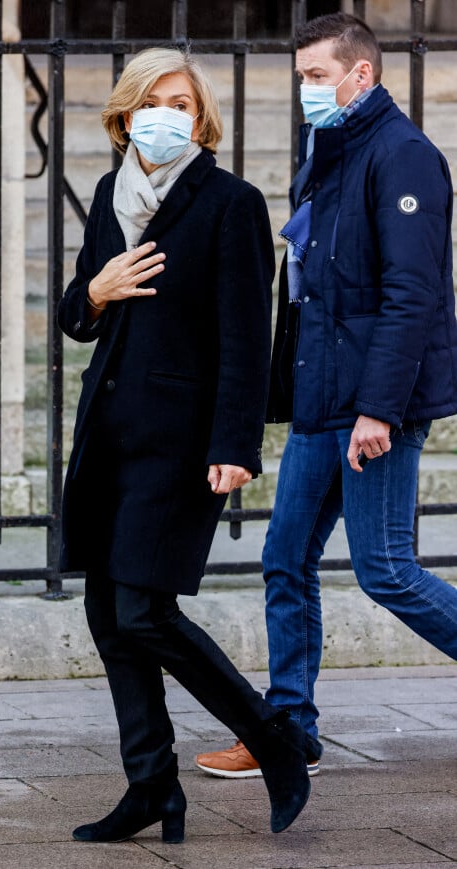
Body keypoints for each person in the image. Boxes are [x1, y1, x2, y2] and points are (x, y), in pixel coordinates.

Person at [57, 46, 322, 844]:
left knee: (144, 608)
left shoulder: (230, 202)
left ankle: (273, 735)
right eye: (153, 99)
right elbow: (78, 314)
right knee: (108, 609)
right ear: (125, 113)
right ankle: (152, 787)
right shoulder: (111, 193)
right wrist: (95, 293)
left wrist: (236, 443)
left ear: (200, 118)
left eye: (182, 101)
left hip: (180, 444)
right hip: (109, 434)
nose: (167, 113)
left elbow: (247, 336)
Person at [196, 12, 457, 781]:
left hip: (375, 404)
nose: (306, 88)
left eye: (316, 75)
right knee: (285, 557)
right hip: (323, 395)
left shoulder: (403, 157)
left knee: (384, 568)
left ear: (360, 75)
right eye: (302, 74)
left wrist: (379, 408)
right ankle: (288, 730)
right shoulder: (331, 152)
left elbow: (412, 295)